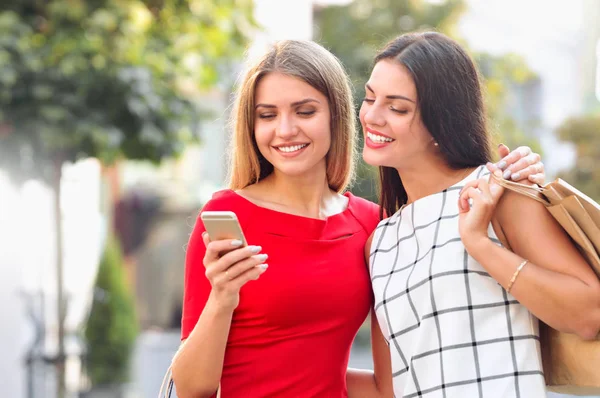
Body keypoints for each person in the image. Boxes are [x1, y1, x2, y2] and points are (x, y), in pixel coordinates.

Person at [171, 39, 545, 398]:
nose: (285, 130)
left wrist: (508, 176)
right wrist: (222, 298)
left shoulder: (373, 227)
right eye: (267, 115)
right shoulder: (227, 214)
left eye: (304, 111)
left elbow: (395, 375)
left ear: (337, 115)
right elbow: (191, 388)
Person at [362, 32, 600, 398]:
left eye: (397, 108)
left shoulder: (496, 193)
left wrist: (479, 245)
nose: (372, 116)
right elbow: (387, 389)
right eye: (369, 97)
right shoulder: (380, 241)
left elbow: (589, 313)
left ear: (441, 122)